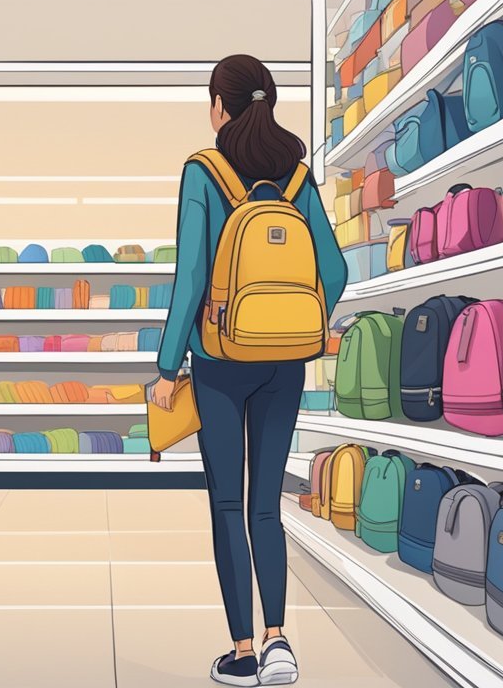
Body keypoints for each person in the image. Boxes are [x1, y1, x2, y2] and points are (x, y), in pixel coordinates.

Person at [152, 55, 347, 686]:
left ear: (218, 106)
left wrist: (164, 366)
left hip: (218, 364)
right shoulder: (297, 176)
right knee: (267, 507)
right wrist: (298, 326)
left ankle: (241, 651)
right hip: (285, 364)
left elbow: (188, 280)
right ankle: (279, 642)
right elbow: (337, 272)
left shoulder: (204, 172)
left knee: (227, 507)